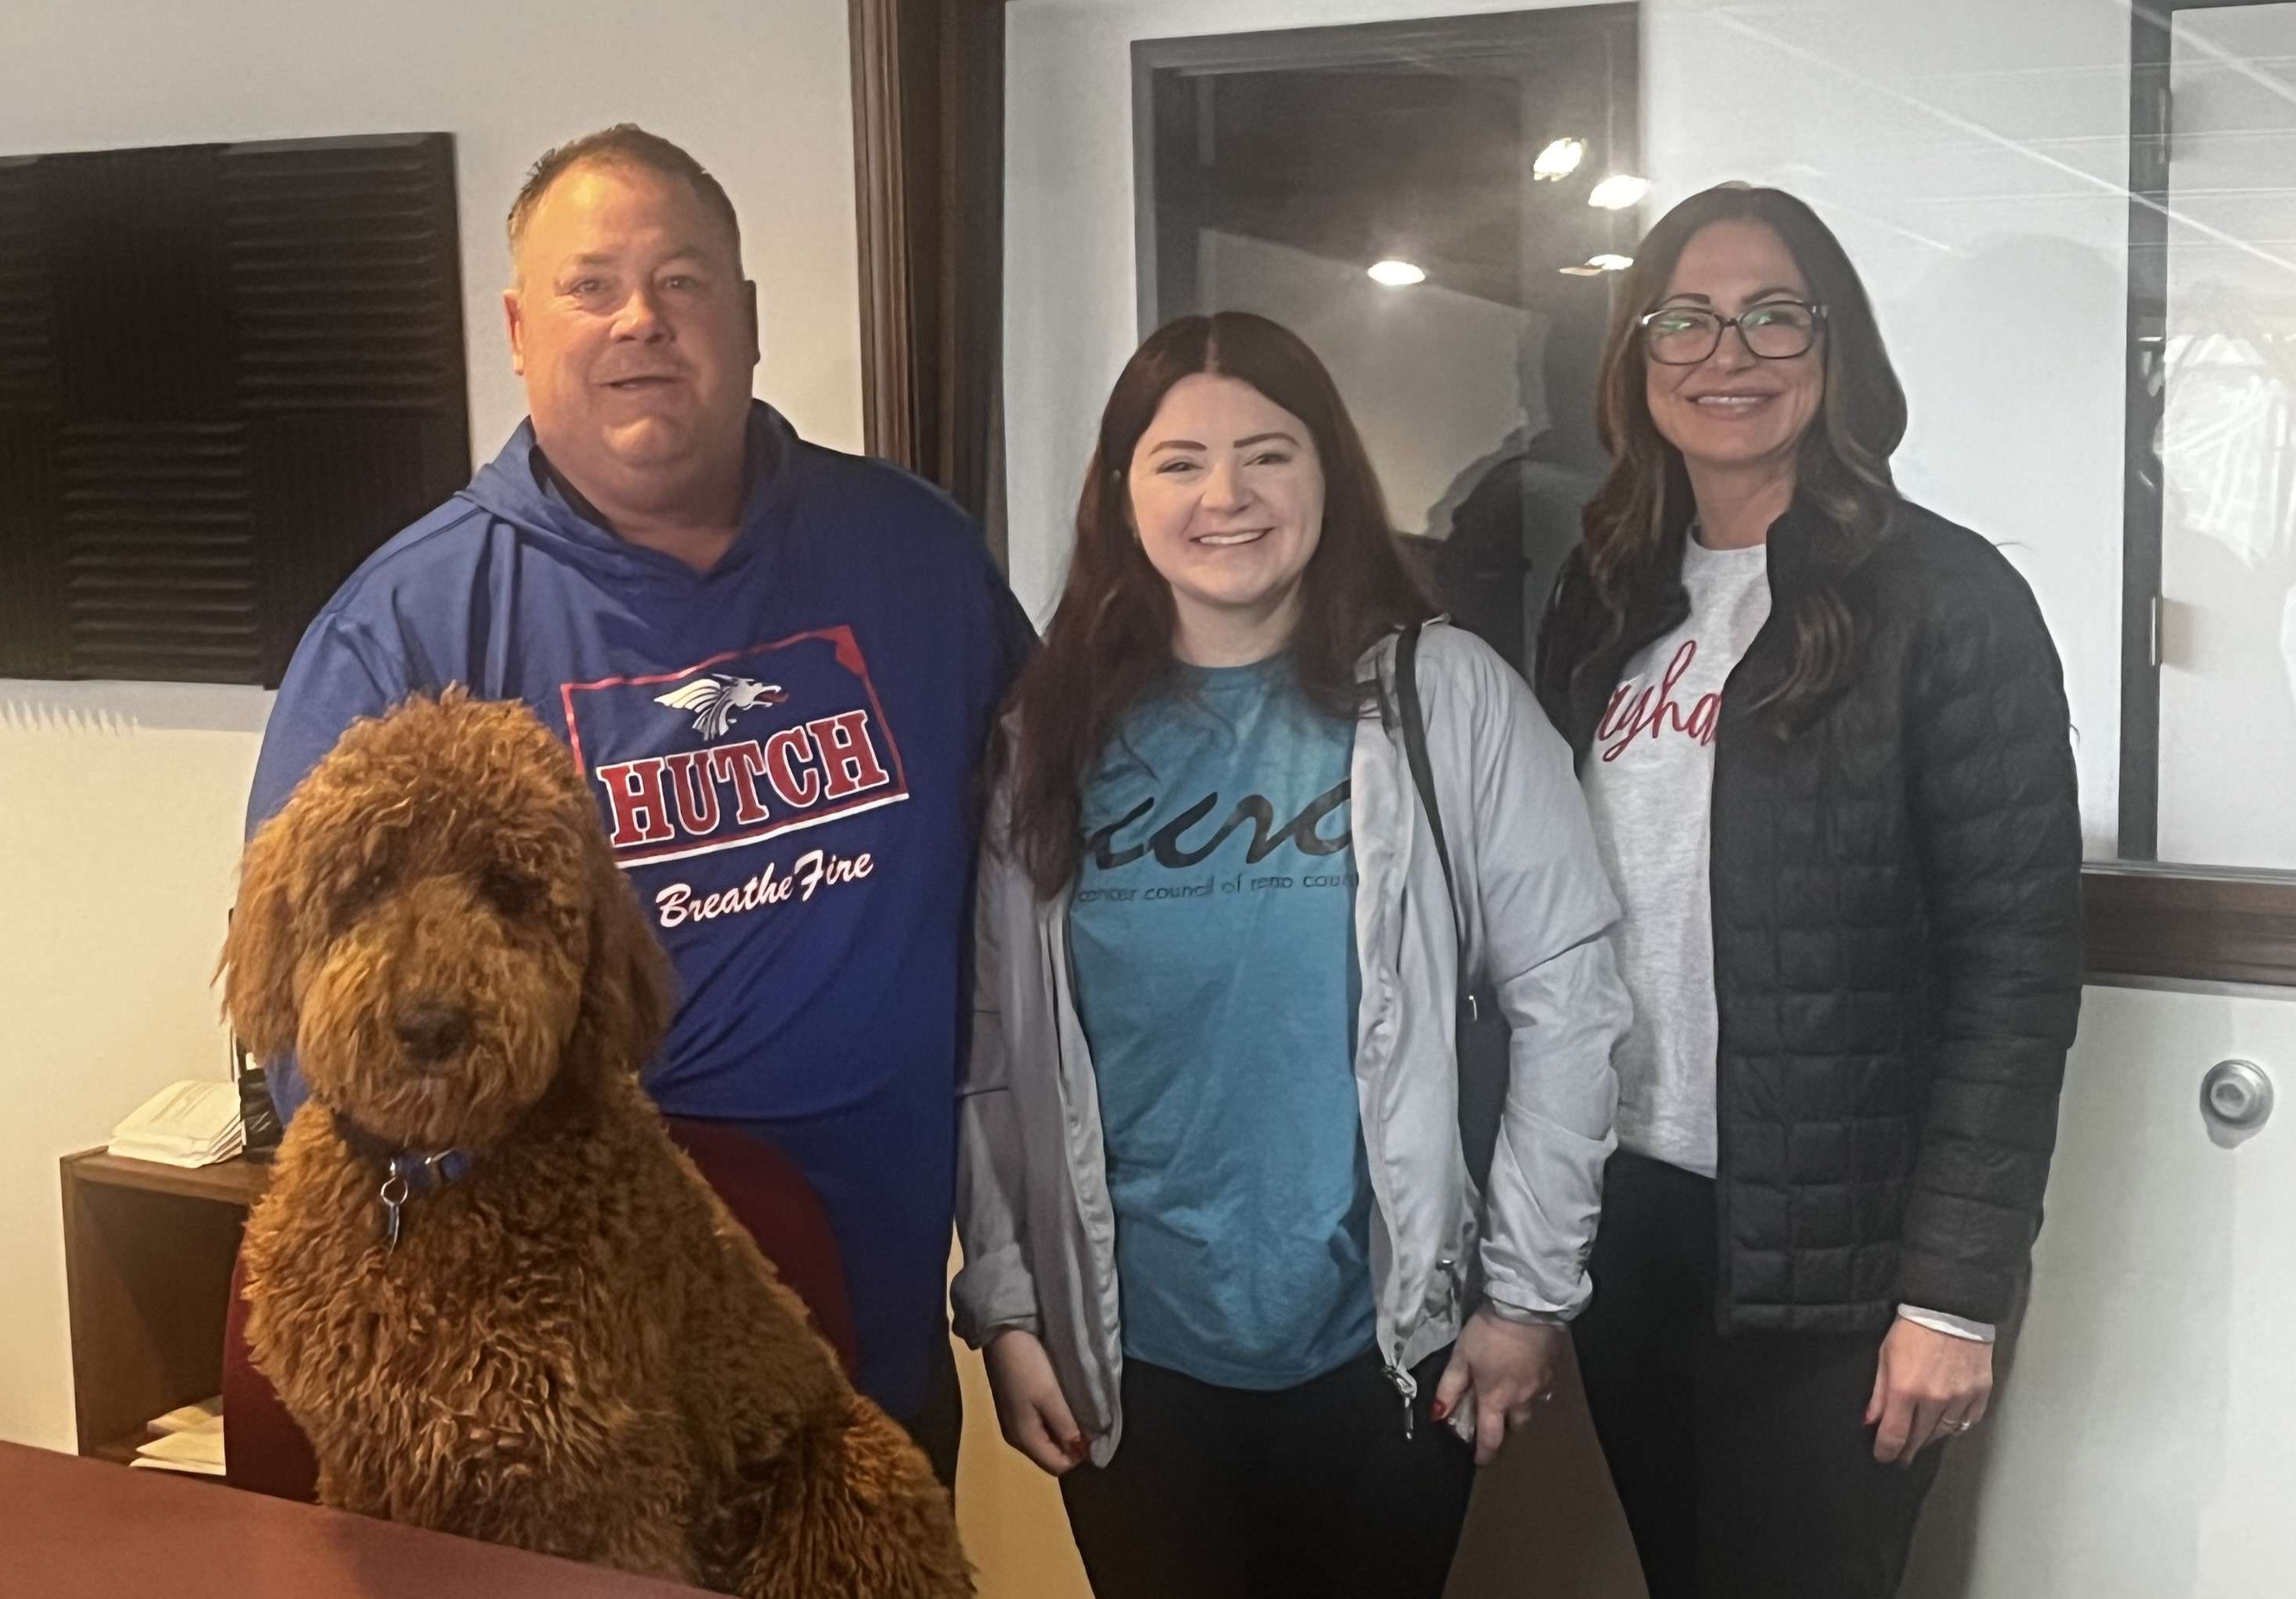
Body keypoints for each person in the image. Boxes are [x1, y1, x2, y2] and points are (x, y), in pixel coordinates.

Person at [245, 124, 1032, 1481]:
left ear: (748, 317)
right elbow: (313, 1026)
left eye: (681, 282)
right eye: (591, 286)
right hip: (560, 1385)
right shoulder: (407, 626)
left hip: (869, 1331)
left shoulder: (913, 553)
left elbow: (1058, 855)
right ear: (517, 329)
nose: (640, 322)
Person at [955, 311, 1632, 1599]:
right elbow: (995, 1049)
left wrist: (1525, 1298)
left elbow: (1571, 1002)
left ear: (1328, 473)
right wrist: (1008, 1306)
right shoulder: (1046, 734)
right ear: (1122, 493)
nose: (1226, 496)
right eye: (1180, 462)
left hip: (1386, 1360)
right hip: (1132, 1361)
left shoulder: (1445, 696)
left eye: (1268, 454)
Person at [1534, 184, 2082, 1597]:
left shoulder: (1945, 598)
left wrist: (1952, 1294)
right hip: (1630, 1213)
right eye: (1686, 321)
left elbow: (2017, 967)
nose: (1728, 354)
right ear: (1636, 358)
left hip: (1838, 1254)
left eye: (1773, 316)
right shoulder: (1605, 594)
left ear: (1835, 349)